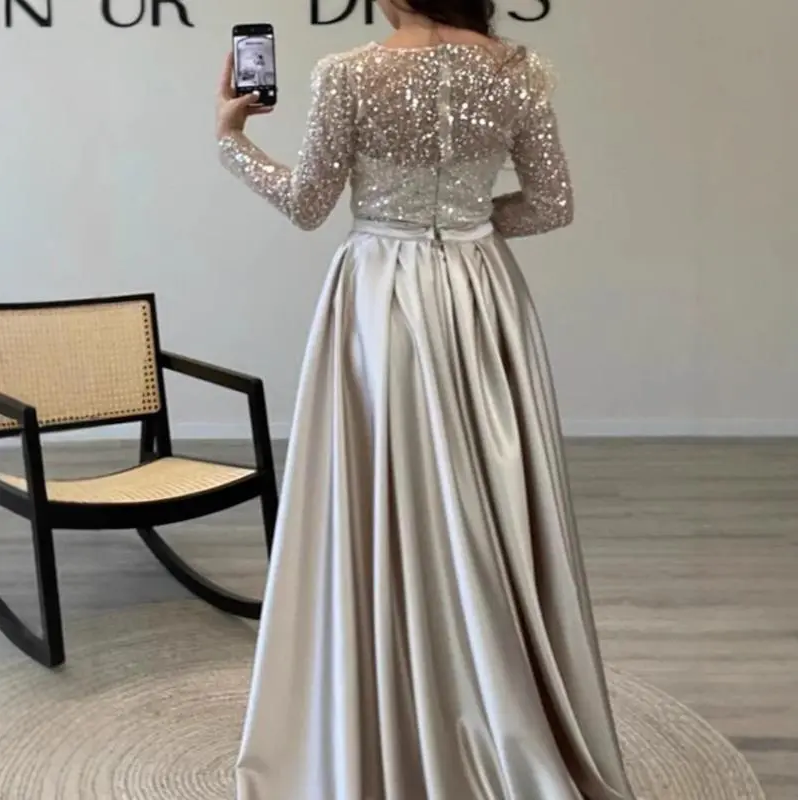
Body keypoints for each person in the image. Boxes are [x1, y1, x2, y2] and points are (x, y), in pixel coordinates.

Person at [216, 1, 635, 798]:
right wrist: (467, 225)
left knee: (390, 490)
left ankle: (396, 699)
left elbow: (307, 205)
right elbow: (552, 204)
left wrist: (231, 139)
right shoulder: (519, 71)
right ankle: (501, 700)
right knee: (489, 494)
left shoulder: (347, 73)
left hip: (382, 296)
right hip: (481, 296)